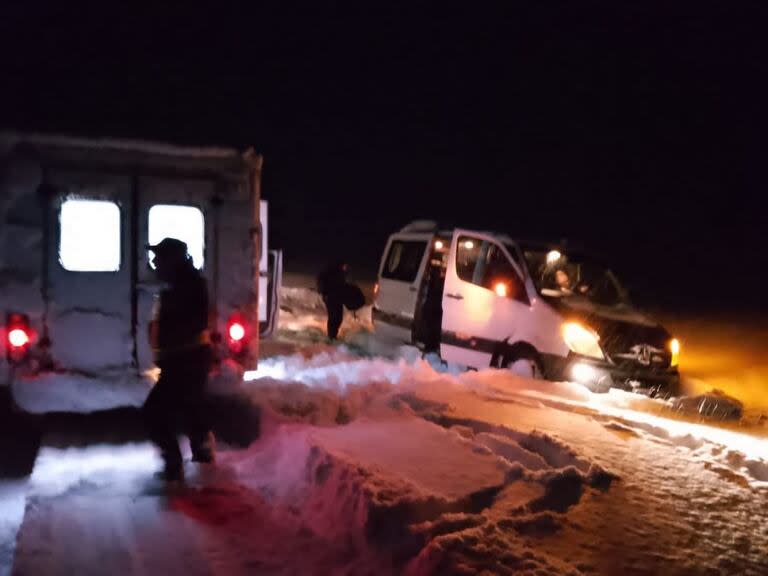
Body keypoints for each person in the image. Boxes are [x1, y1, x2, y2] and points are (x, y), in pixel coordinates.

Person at [143, 237, 215, 482]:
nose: (154, 262)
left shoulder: (189, 286)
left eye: (158, 258)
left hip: (186, 362)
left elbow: (192, 323)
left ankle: (175, 466)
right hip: (182, 361)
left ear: (172, 260)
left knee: (154, 414)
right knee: (190, 410)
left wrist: (169, 336)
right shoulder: (178, 284)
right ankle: (200, 460)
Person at [316, 260, 348, 340]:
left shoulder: (339, 273)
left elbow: (342, 285)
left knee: (337, 317)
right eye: (345, 266)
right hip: (330, 297)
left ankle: (333, 335)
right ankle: (332, 336)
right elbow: (323, 283)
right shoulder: (333, 273)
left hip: (336, 297)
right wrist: (325, 293)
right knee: (334, 317)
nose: (345, 268)